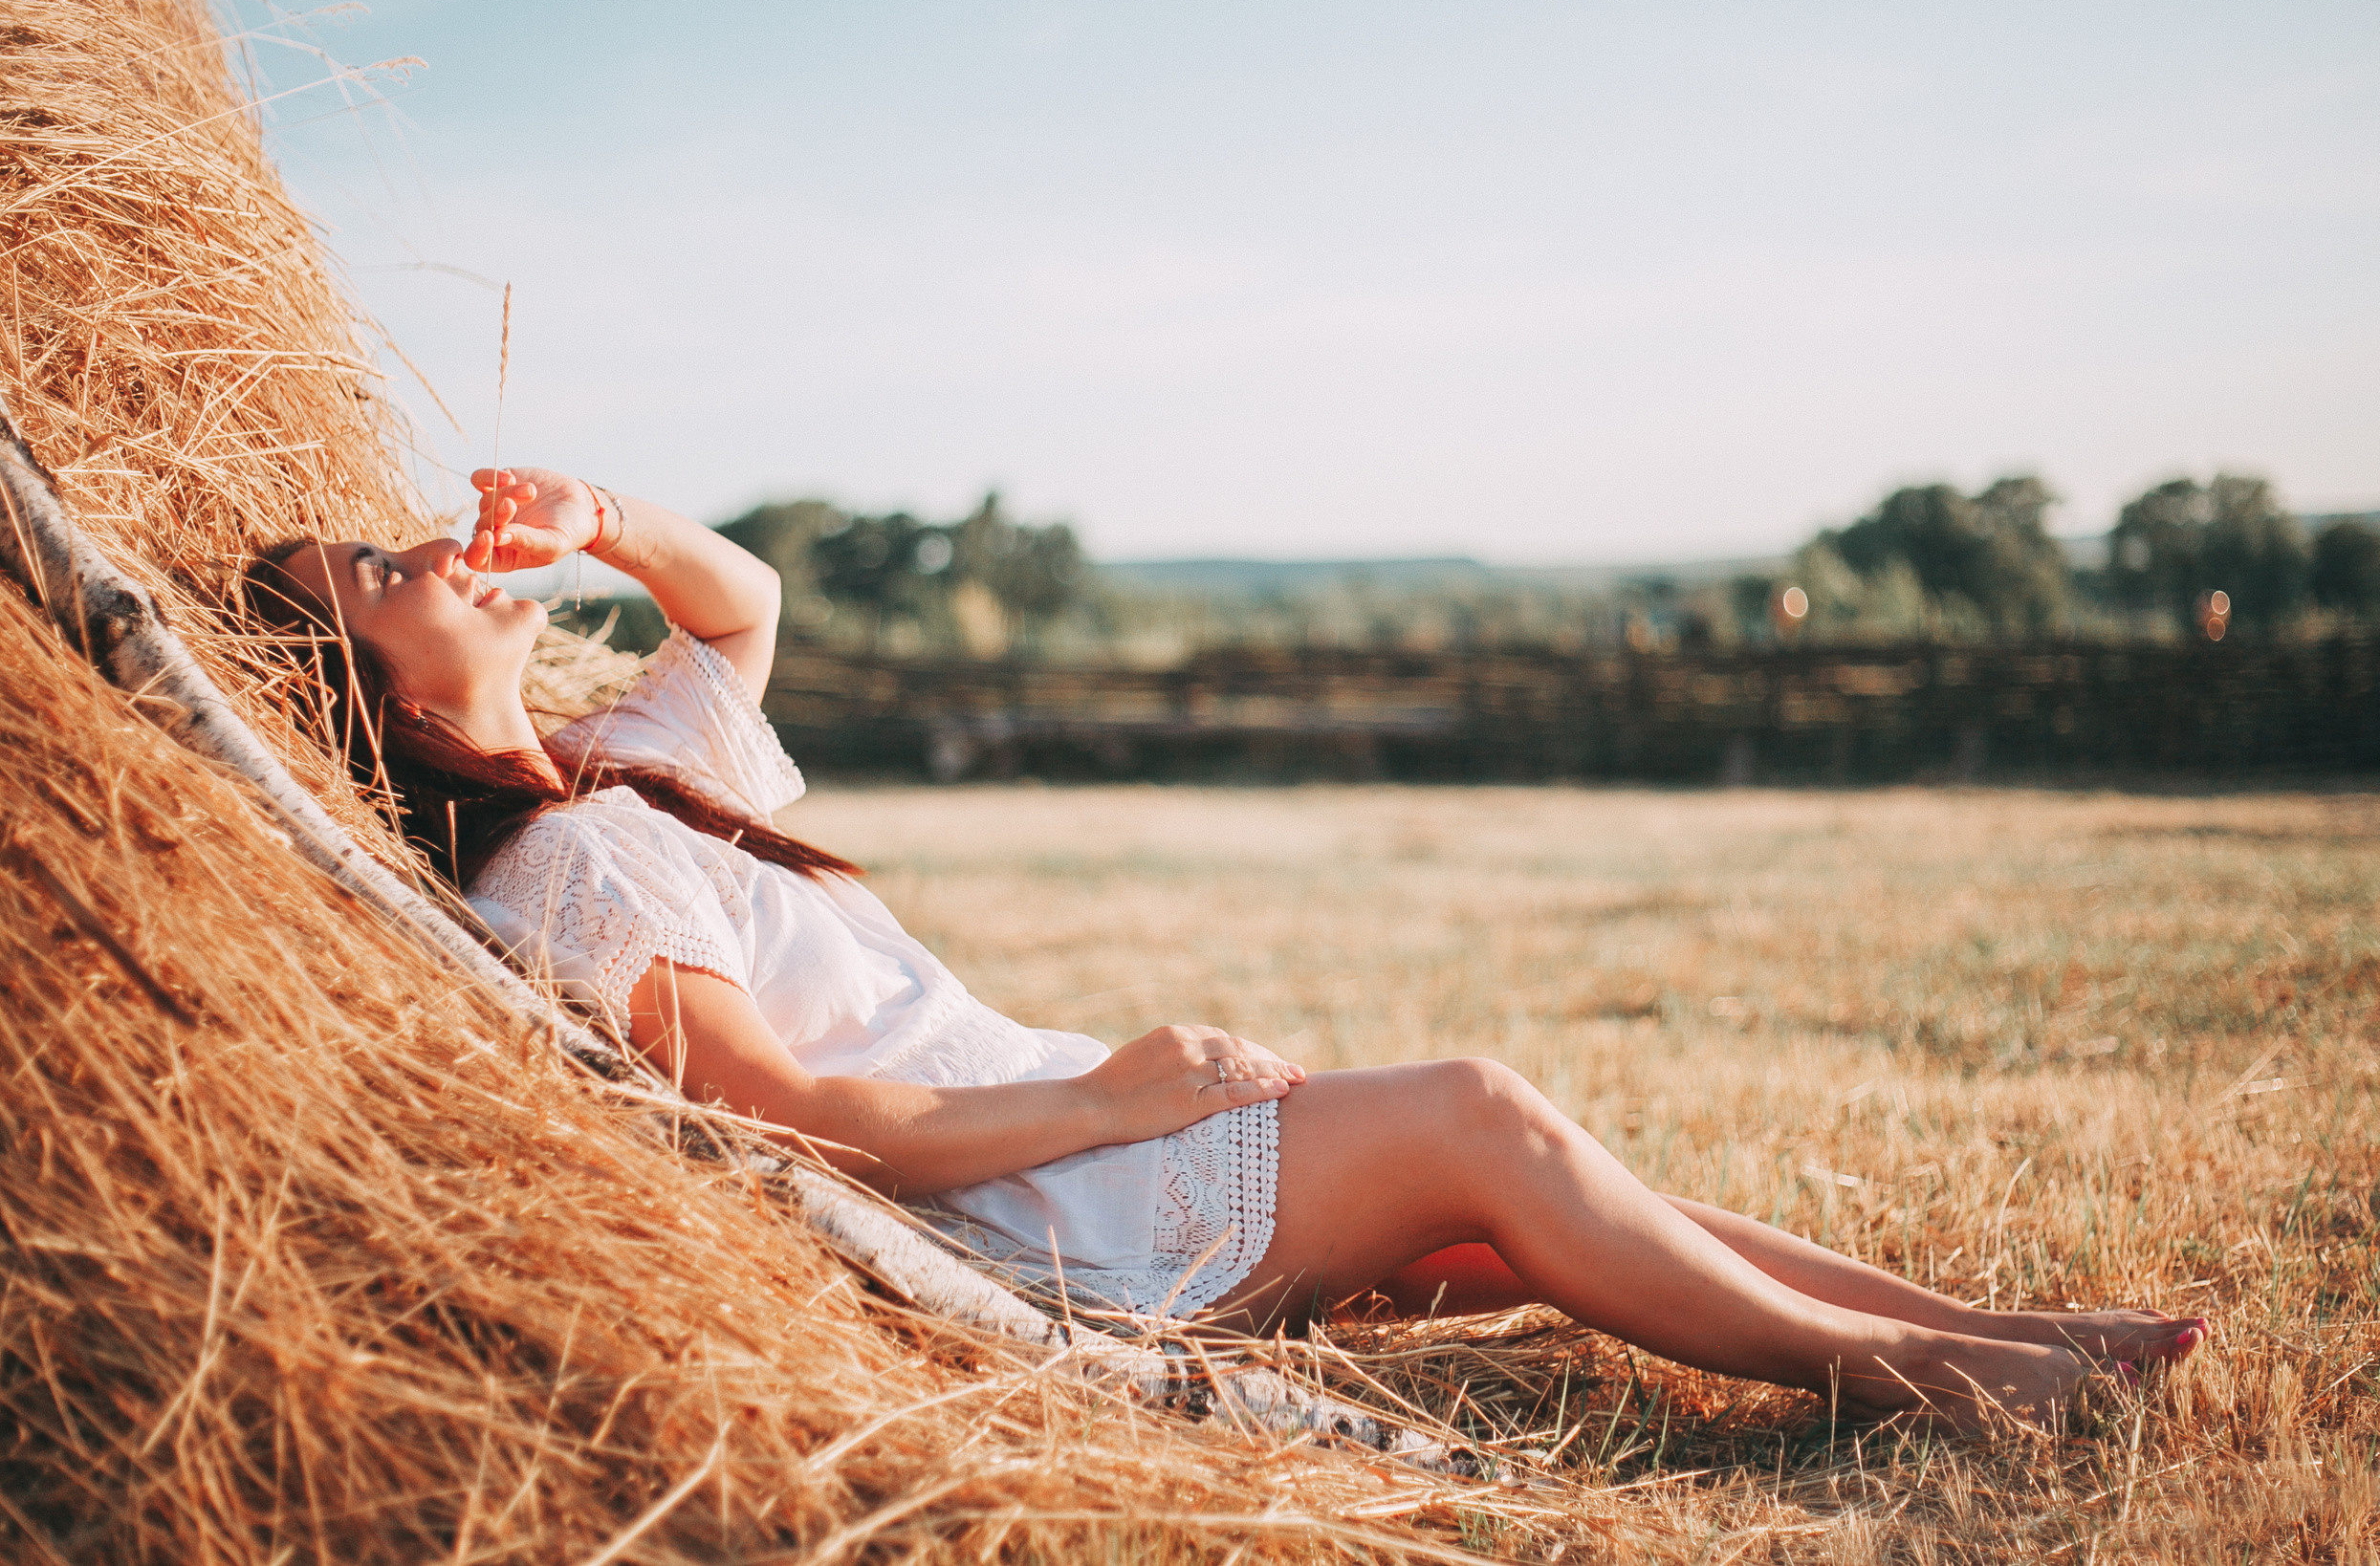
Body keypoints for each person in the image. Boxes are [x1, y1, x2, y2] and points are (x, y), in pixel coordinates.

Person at [246, 467, 2207, 1431]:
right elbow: (804, 1125)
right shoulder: (564, 870)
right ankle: (1949, 1383)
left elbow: (740, 608)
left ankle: (1986, 1330)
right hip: (1052, 1210)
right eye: (371, 577)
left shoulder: (614, 769)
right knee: (1480, 1118)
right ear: (384, 698)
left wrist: (602, 514)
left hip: (1071, 1141)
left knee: (1544, 1195)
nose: (416, 549)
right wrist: (1108, 1092)